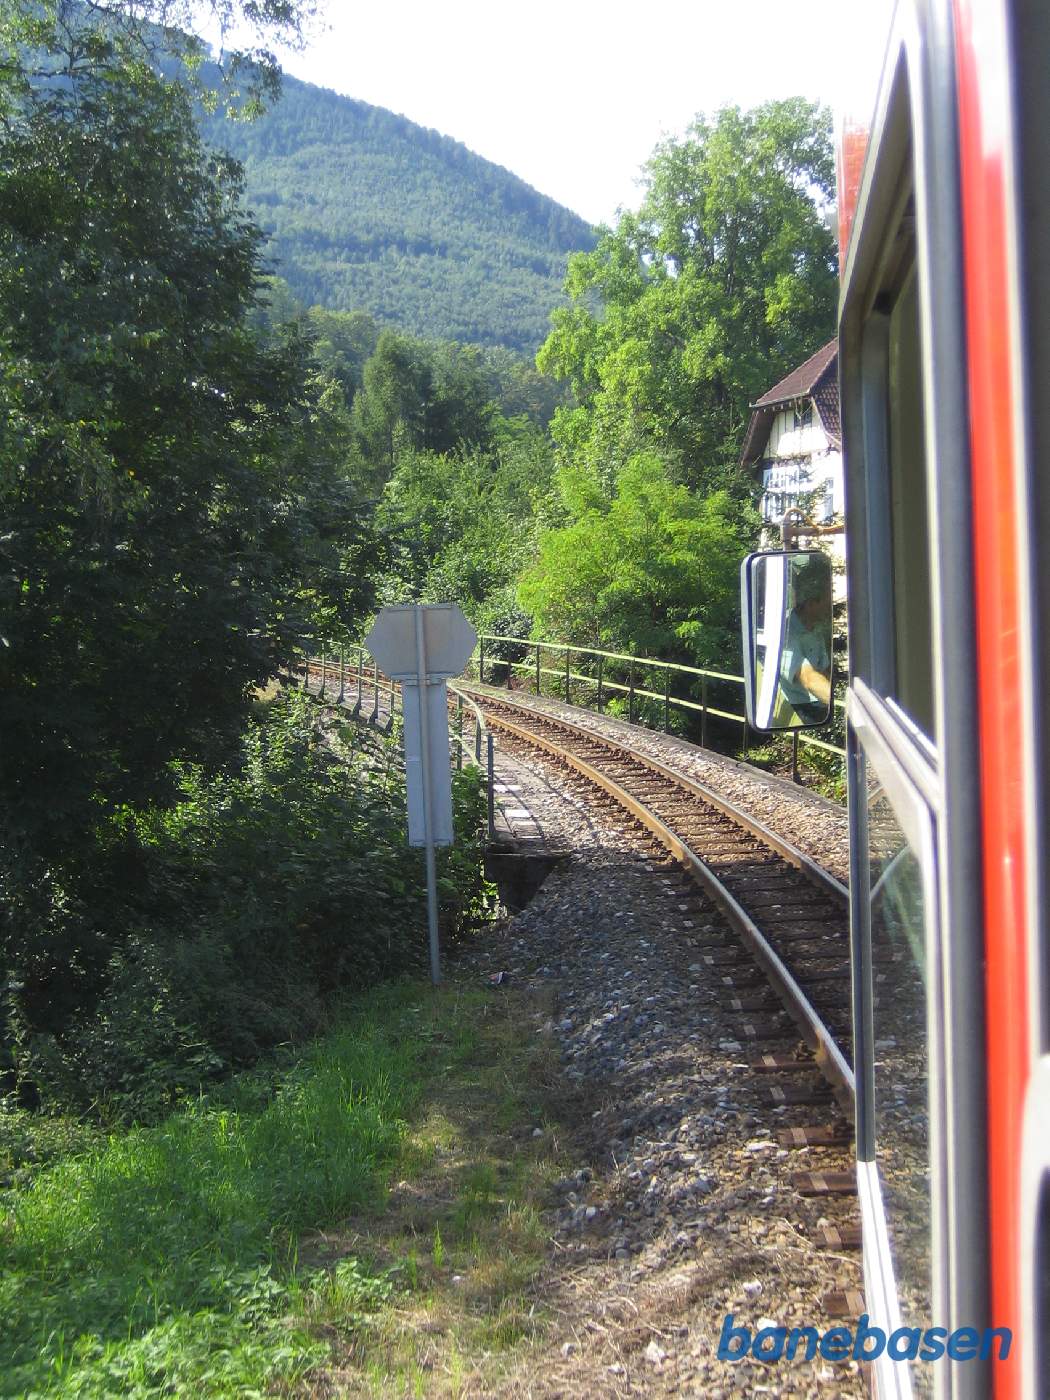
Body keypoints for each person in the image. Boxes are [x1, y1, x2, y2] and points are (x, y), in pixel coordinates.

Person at [779, 559, 832, 725]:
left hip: (819, 705)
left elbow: (824, 670)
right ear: (811, 603)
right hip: (800, 711)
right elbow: (809, 678)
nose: (831, 604)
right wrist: (846, 705)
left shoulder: (815, 627)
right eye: (827, 599)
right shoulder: (787, 633)